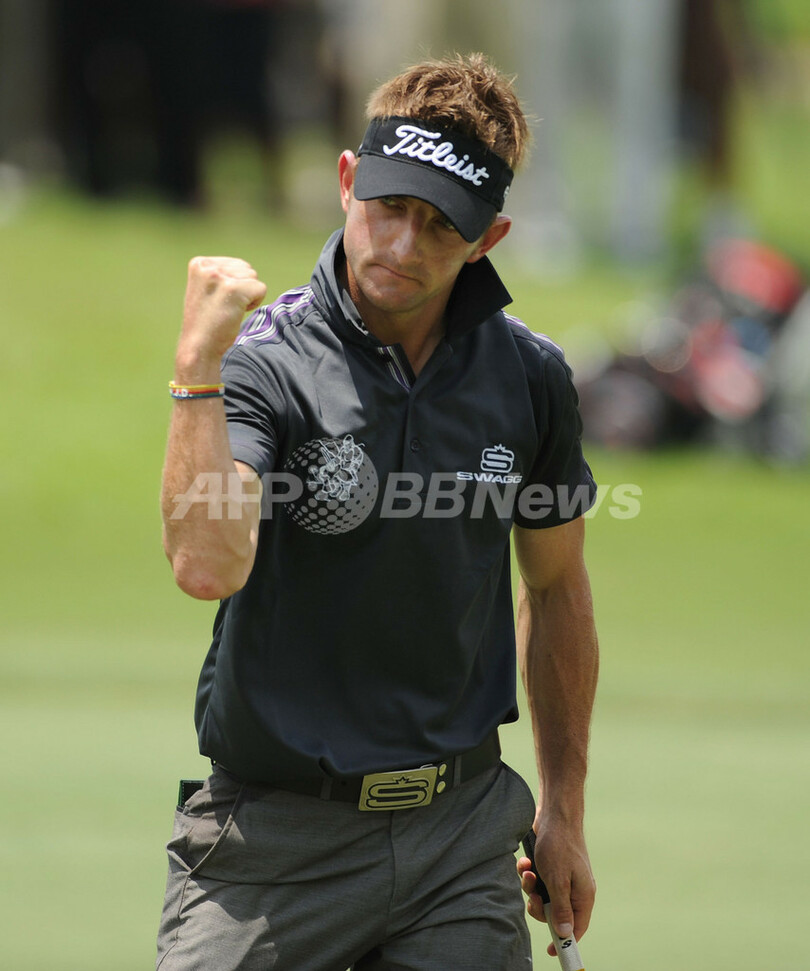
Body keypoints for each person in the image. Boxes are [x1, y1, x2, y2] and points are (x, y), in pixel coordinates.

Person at [157, 52, 599, 970]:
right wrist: (198, 370)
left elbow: (557, 588)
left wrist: (564, 810)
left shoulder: (531, 377)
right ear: (348, 180)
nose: (402, 244)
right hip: (275, 841)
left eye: (440, 225)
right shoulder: (264, 360)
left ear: (488, 237)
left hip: (460, 837)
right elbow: (206, 565)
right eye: (389, 206)